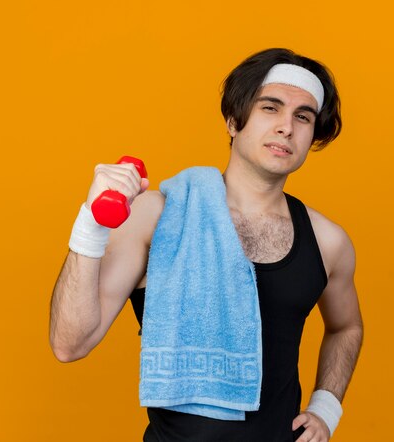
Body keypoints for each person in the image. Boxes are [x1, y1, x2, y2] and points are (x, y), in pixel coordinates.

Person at [50, 48, 363, 442]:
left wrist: (326, 408)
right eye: (270, 107)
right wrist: (90, 225)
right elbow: (69, 343)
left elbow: (346, 326)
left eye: (303, 117)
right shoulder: (157, 217)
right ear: (234, 120)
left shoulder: (327, 241)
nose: (287, 127)